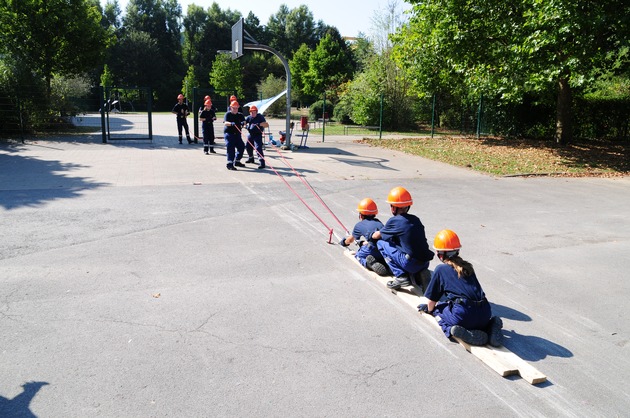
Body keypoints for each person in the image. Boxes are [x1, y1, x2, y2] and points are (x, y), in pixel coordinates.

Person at [417, 229, 504, 347]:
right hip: (485, 313)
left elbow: (432, 302)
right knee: (450, 307)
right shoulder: (468, 267)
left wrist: (430, 310)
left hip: (464, 316)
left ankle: (460, 332)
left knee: (438, 311)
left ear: (441, 254)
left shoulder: (441, 270)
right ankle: (491, 325)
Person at [371, 186, 434, 290]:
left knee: (381, 243)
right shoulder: (416, 219)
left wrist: (373, 234)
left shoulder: (395, 221)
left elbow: (377, 236)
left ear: (394, 207)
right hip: (425, 262)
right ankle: (419, 273)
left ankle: (401, 276)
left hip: (410, 263)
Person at [340, 198, 390, 276]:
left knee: (358, 255)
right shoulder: (378, 222)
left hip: (372, 249)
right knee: (373, 248)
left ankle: (369, 264)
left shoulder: (359, 225)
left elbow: (350, 240)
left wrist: (344, 242)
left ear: (361, 215)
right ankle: (383, 262)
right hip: (383, 248)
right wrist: (364, 243)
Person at [223, 100, 246, 170]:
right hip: (229, 134)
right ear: (231, 108)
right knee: (231, 148)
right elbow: (225, 122)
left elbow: (244, 122)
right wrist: (231, 124)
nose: (235, 109)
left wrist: (243, 123)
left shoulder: (240, 115)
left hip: (237, 134)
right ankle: (230, 163)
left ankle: (237, 160)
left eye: (236, 108)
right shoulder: (228, 114)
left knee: (241, 147)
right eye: (234, 108)